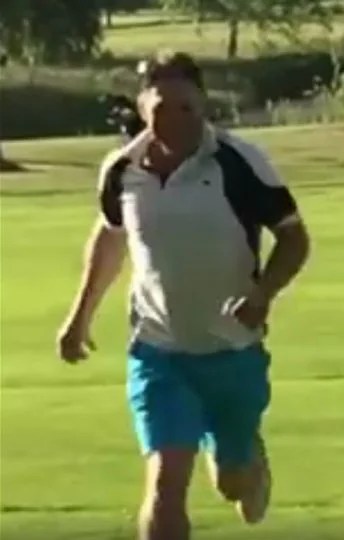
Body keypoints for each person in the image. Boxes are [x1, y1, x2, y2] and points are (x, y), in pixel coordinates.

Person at [55, 51, 311, 540]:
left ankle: (245, 457)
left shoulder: (240, 164)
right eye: (162, 110)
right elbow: (112, 237)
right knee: (166, 485)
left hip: (232, 349)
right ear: (142, 108)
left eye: (186, 109)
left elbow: (295, 238)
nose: (175, 121)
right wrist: (79, 317)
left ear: (203, 104)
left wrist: (263, 294)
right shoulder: (121, 170)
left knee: (233, 484)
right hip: (157, 351)